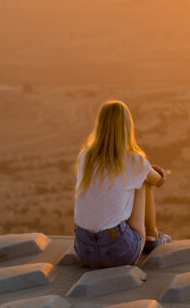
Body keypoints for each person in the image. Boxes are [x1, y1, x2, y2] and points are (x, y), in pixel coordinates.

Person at [73, 100, 171, 267]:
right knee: (142, 181)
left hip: (84, 251)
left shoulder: (85, 157)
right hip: (119, 252)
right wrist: (148, 170)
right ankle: (152, 236)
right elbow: (158, 180)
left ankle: (150, 236)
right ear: (126, 127)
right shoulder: (134, 161)